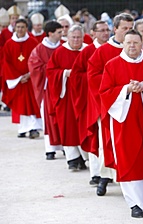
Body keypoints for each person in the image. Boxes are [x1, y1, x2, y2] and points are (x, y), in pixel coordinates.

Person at [100, 29, 143, 218]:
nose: (132, 46)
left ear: (142, 43)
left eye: (136, 42)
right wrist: (125, 89)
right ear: (123, 44)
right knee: (128, 159)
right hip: (123, 121)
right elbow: (104, 93)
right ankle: (134, 203)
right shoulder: (112, 65)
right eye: (129, 43)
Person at [86, 13, 134, 196]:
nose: (128, 32)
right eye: (125, 28)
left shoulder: (136, 48)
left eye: (131, 28)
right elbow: (93, 76)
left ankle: (131, 178)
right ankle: (104, 176)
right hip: (110, 105)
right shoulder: (103, 51)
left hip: (133, 105)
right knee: (107, 142)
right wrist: (118, 89)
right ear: (115, 29)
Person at [69, 21, 110, 187]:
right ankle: (96, 173)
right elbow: (76, 75)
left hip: (111, 100)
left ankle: (111, 172)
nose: (105, 33)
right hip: (92, 101)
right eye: (101, 31)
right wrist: (93, 79)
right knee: (95, 137)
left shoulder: (115, 49)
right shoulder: (88, 51)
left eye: (107, 30)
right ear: (93, 33)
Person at [46, 24, 88, 171]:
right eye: (73, 37)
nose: (76, 40)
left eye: (79, 37)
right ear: (67, 37)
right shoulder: (59, 52)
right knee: (68, 126)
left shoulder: (88, 51)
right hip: (67, 96)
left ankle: (84, 157)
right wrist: (64, 73)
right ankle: (72, 158)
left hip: (84, 95)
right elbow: (50, 72)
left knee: (83, 126)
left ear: (83, 37)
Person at [28, 21, 63, 160]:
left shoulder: (63, 47)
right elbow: (34, 68)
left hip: (62, 87)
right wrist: (52, 69)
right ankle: (50, 149)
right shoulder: (39, 50)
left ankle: (65, 147)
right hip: (47, 89)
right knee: (48, 119)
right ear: (50, 33)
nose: (62, 35)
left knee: (62, 118)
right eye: (59, 32)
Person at [2, 19, 41, 138]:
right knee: (20, 104)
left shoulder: (33, 42)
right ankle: (23, 128)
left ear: (27, 28)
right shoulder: (9, 44)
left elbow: (37, 60)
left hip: (30, 79)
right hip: (17, 80)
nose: (20, 29)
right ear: (14, 28)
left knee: (32, 103)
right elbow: (6, 63)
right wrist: (18, 78)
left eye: (22, 27)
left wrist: (30, 74)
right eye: (18, 27)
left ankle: (33, 128)